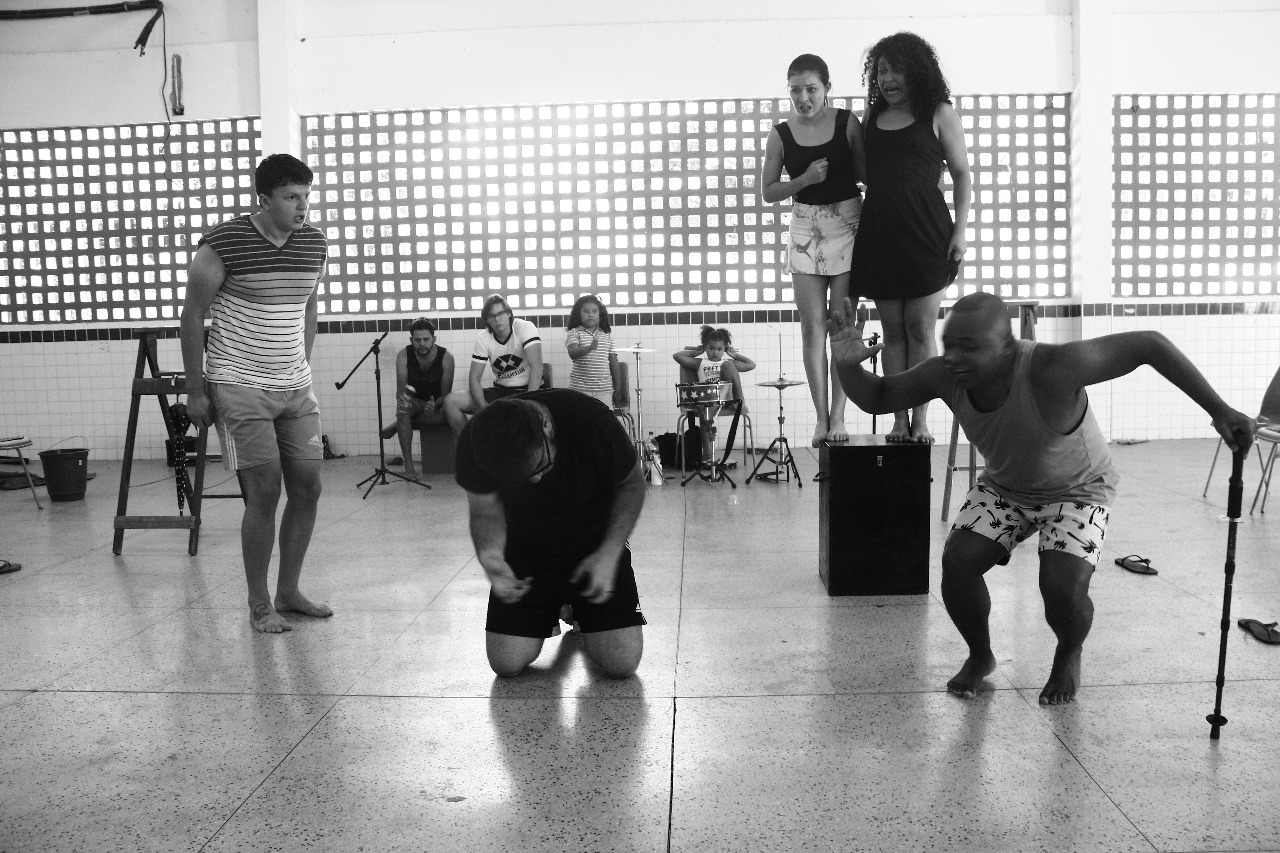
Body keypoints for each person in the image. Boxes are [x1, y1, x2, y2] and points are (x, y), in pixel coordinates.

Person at [827, 293, 1256, 704]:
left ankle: (1069, 650)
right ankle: (981, 655)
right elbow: (879, 397)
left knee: (1060, 590)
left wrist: (1219, 409)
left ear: (1007, 346)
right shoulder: (946, 373)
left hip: (1078, 489)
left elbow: (1149, 344)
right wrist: (846, 364)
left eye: (970, 347)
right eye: (949, 344)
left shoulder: (1054, 367)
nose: (954, 357)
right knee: (958, 565)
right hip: (1006, 486)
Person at [180, 153, 333, 634]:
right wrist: (196, 390)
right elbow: (192, 315)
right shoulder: (223, 243)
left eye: (306, 196)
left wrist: (301, 365)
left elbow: (309, 309)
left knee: (308, 487)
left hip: (295, 388)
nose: (302, 206)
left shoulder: (314, 244)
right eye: (290, 197)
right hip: (239, 384)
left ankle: (288, 591)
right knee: (264, 491)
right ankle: (259, 604)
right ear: (264, 200)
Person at [456, 389, 647, 678]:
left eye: (541, 465)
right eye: (521, 478)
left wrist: (609, 552)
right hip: (526, 548)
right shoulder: (478, 442)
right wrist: (491, 557)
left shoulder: (591, 421)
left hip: (594, 544)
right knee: (506, 664)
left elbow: (631, 484)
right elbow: (485, 512)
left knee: (622, 663)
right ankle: (557, 606)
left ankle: (578, 609)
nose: (535, 480)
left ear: (546, 426)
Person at [850, 32, 973, 444]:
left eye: (897, 70)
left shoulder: (939, 112)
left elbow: (962, 175)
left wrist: (960, 232)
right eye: (881, 70)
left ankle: (920, 420)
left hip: (928, 233)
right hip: (881, 233)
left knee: (920, 328)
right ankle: (898, 420)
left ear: (917, 71)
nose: (887, 79)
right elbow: (866, 172)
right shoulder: (871, 117)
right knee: (893, 332)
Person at [761, 53, 866, 447]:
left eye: (811, 89)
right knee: (812, 328)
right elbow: (769, 191)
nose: (803, 97)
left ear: (827, 89)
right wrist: (803, 179)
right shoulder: (780, 134)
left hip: (848, 223)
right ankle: (821, 418)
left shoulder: (847, 123)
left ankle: (838, 415)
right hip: (805, 225)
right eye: (795, 90)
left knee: (841, 326)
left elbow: (867, 175)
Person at [443, 294, 544, 438]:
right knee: (451, 402)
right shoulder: (483, 338)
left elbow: (537, 368)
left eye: (500, 313)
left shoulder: (525, 327)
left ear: (509, 313)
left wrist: (527, 406)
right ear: (486, 320)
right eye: (491, 316)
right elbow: (474, 378)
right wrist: (485, 409)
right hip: (501, 392)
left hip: (528, 391)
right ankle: (467, 447)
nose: (497, 319)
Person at [380, 318, 456, 481]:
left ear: (434, 339)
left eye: (426, 339)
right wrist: (403, 401)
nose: (422, 344)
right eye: (417, 340)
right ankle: (409, 466)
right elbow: (400, 391)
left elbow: (446, 394)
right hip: (414, 403)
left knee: (447, 415)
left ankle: (398, 424)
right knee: (402, 410)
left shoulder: (446, 357)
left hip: (436, 405)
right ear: (411, 340)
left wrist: (434, 404)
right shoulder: (403, 355)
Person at [673, 326, 755, 466]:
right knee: (705, 415)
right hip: (708, 400)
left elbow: (751, 365)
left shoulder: (727, 363)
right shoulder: (700, 363)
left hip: (727, 399)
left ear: (724, 349)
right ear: (705, 347)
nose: (715, 352)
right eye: (711, 348)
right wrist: (696, 352)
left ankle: (740, 401)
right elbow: (677, 356)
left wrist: (734, 355)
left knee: (728, 366)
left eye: (719, 349)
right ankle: (707, 455)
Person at [565, 295, 623, 408]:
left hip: (604, 390)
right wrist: (590, 348)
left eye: (594, 311)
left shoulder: (606, 335)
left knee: (604, 419)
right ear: (578, 314)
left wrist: (618, 389)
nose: (590, 314)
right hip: (579, 390)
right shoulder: (574, 332)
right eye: (586, 311)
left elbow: (614, 362)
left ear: (599, 315)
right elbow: (573, 353)